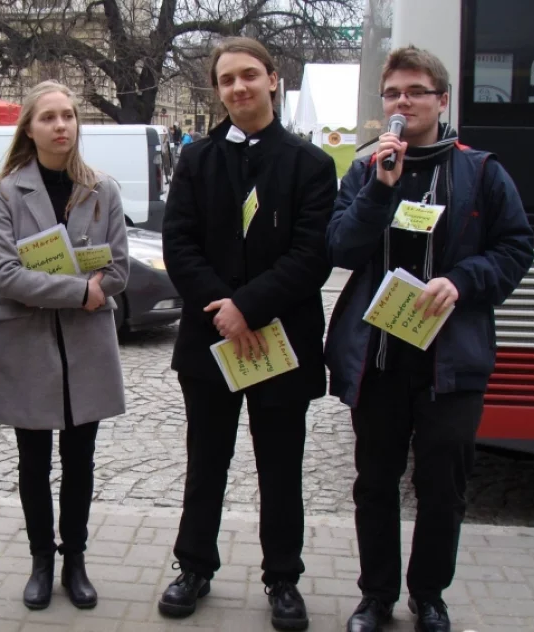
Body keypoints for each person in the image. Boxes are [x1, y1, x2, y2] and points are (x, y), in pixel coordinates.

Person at [325, 46, 534, 632]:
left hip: (451, 363)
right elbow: (341, 248)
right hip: (380, 360)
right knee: (374, 484)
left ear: (441, 100)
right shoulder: (368, 170)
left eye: (415, 91)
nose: (402, 102)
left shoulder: (482, 170)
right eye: (392, 94)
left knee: (442, 486)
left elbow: (516, 250)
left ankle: (429, 594)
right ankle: (376, 595)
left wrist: (463, 281)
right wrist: (380, 190)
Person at [159, 37, 338, 631]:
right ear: (218, 90)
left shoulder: (309, 165)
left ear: (272, 80)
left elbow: (312, 254)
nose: (239, 88)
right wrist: (224, 313)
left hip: (279, 344)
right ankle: (194, 567)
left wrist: (249, 308)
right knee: (205, 462)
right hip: (211, 344)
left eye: (249, 76)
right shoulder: (196, 160)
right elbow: (178, 244)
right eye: (227, 80)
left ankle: (283, 577)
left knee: (281, 467)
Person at [0, 80, 129, 611]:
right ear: (30, 128)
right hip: (28, 344)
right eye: (49, 117)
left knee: (81, 460)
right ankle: (41, 559)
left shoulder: (102, 190)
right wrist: (78, 290)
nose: (61, 125)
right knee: (33, 461)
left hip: (86, 345)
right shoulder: (6, 191)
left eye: (68, 115)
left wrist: (90, 289)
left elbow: (117, 271)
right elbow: (5, 275)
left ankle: (76, 561)